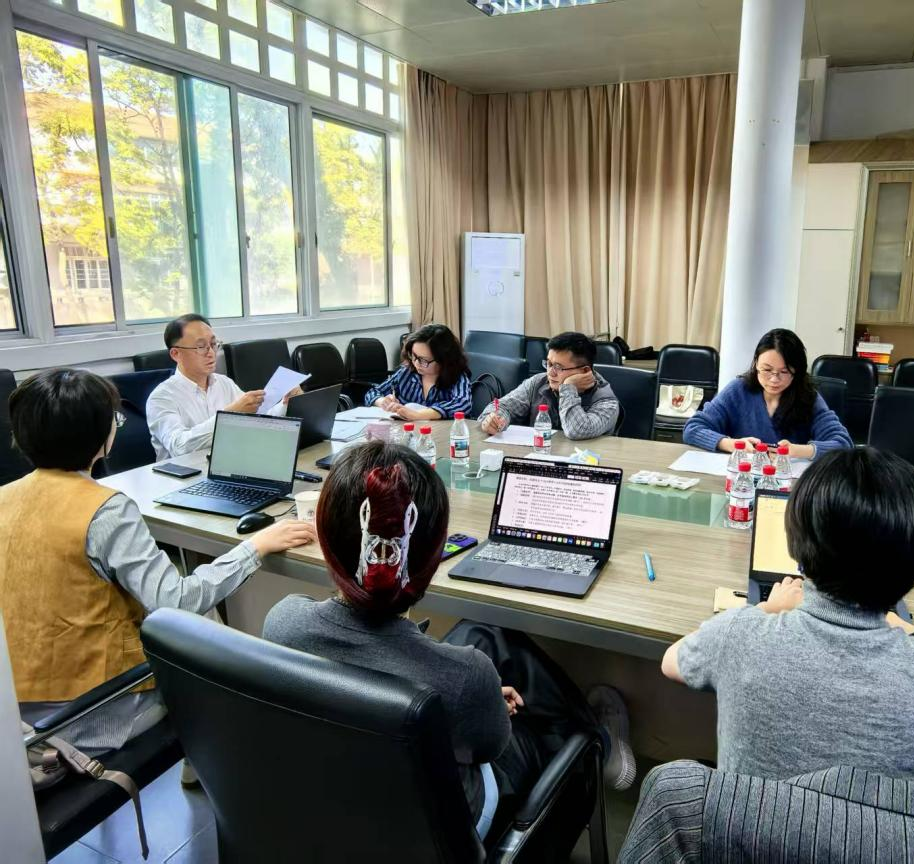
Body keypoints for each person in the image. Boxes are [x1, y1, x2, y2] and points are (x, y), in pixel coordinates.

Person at [263, 440, 634, 840]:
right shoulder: (467, 678)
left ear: (325, 540)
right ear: (434, 555)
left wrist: (474, 699)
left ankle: (597, 736)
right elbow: (489, 746)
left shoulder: (282, 624)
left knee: (484, 633)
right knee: (546, 732)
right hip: (445, 827)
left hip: (336, 812)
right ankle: (597, 743)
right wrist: (485, 703)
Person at [0, 368, 315, 753]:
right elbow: (177, 601)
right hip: (96, 712)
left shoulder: (5, 497)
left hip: (16, 711)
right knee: (207, 630)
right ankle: (234, 757)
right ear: (103, 436)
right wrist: (255, 547)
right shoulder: (105, 509)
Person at [661, 446, 914, 782]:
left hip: (747, 822)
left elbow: (672, 660)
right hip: (872, 826)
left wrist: (766, 608)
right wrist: (899, 623)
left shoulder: (737, 634)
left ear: (795, 548)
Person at [146, 313, 300, 460]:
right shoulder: (161, 398)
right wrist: (229, 415)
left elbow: (257, 420)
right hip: (184, 474)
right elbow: (179, 447)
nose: (211, 353)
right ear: (176, 354)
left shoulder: (224, 383)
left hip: (226, 463)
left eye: (213, 344)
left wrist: (286, 404)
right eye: (201, 346)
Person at [683, 329, 852, 458]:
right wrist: (732, 444)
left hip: (790, 483)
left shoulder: (808, 397)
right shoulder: (738, 390)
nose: (774, 379)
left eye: (784, 372)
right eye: (766, 370)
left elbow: (843, 444)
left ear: (797, 371)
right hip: (742, 480)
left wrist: (796, 451)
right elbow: (693, 428)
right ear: (756, 363)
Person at [477, 331, 619, 441]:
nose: (550, 373)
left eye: (558, 367)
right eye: (549, 364)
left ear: (584, 371)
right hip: (539, 457)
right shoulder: (538, 382)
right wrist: (495, 420)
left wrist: (568, 388)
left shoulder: (606, 401)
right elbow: (502, 407)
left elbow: (577, 431)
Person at [364, 323, 472, 421]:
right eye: (414, 356)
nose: (416, 363)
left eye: (423, 360)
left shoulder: (457, 377)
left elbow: (463, 404)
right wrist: (382, 401)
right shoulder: (406, 372)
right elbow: (372, 392)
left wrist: (419, 415)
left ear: (444, 359)